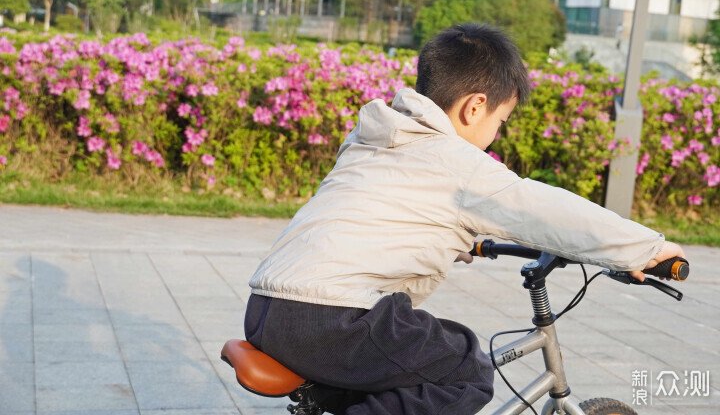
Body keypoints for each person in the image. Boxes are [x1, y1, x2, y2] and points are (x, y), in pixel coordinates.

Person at [244, 23, 686, 415]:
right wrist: (646, 248)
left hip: (267, 310)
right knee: (465, 370)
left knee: (404, 371)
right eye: (501, 120)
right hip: (332, 318)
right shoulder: (455, 160)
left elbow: (388, 215)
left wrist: (461, 238)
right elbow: (541, 207)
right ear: (475, 107)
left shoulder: (376, 138)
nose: (496, 133)